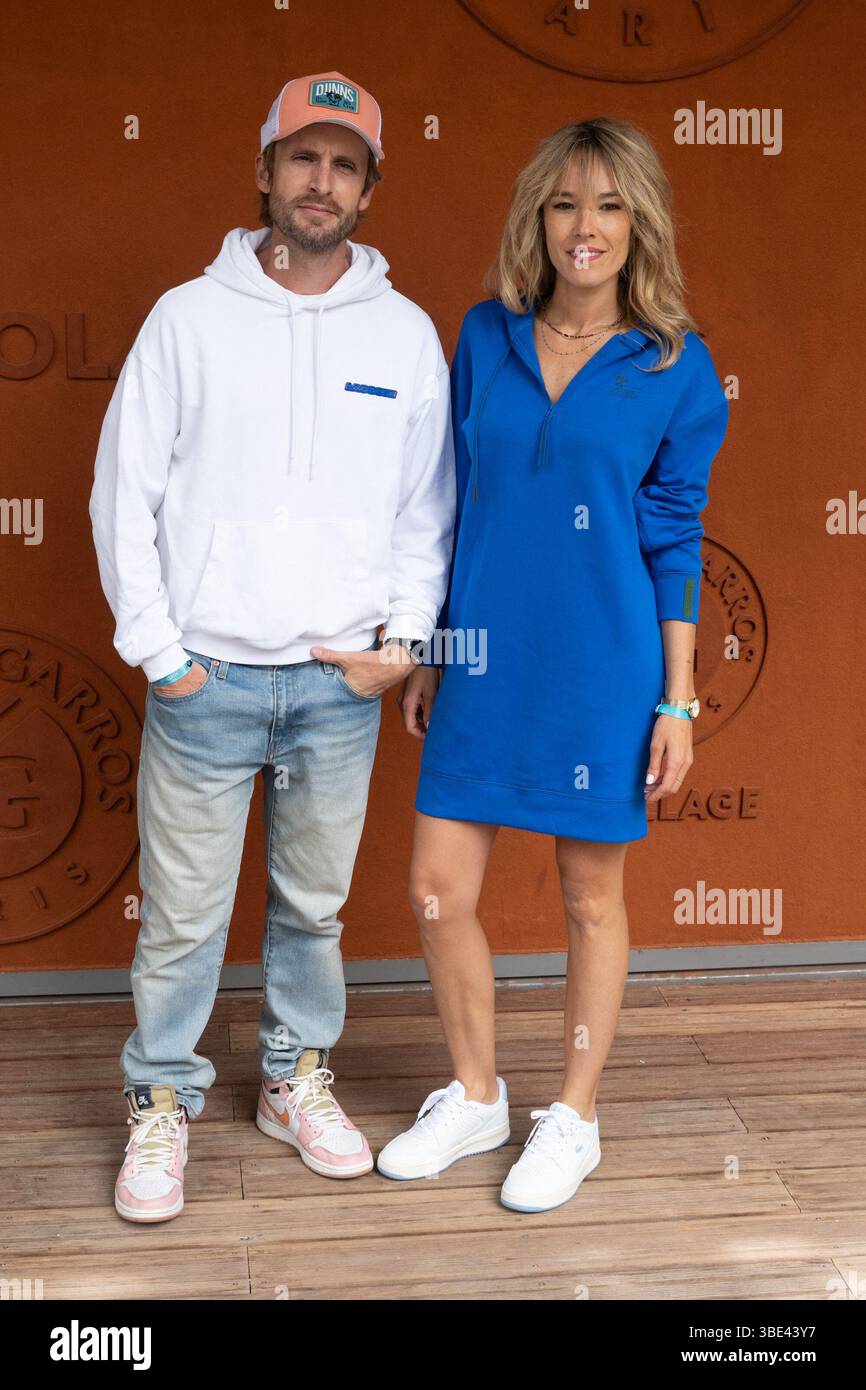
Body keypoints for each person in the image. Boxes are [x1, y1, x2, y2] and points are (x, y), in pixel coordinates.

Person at [89, 70, 455, 1223]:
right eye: (303, 157)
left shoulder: (401, 334)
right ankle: (161, 1102)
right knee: (186, 915)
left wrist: (399, 643)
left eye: (345, 164)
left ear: (368, 189)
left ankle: (293, 1078)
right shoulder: (185, 319)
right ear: (264, 170)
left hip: (336, 687)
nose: (321, 181)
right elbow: (122, 492)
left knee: (311, 908)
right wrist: (162, 654)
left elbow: (425, 507)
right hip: (205, 676)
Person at [377, 117, 729, 1213]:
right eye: (567, 203)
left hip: (604, 662)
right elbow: (443, 502)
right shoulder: (480, 335)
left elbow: (674, 539)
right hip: (482, 654)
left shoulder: (673, 363)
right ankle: (476, 1093)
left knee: (587, 894)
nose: (586, 228)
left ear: (640, 226)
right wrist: (435, 641)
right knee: (437, 889)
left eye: (611, 206)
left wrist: (674, 698)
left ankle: (572, 1113)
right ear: (539, 215)